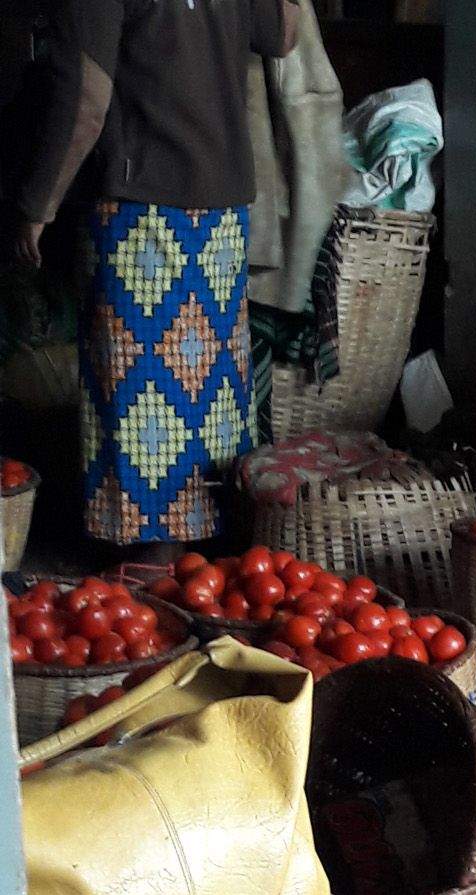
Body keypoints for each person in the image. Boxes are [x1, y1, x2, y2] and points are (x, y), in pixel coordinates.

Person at [4, 0, 300, 550]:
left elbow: (85, 100)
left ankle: (151, 557)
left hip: (140, 212)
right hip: (220, 212)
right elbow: (284, 31)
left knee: (142, 392)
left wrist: (37, 204)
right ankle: (200, 551)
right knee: (206, 391)